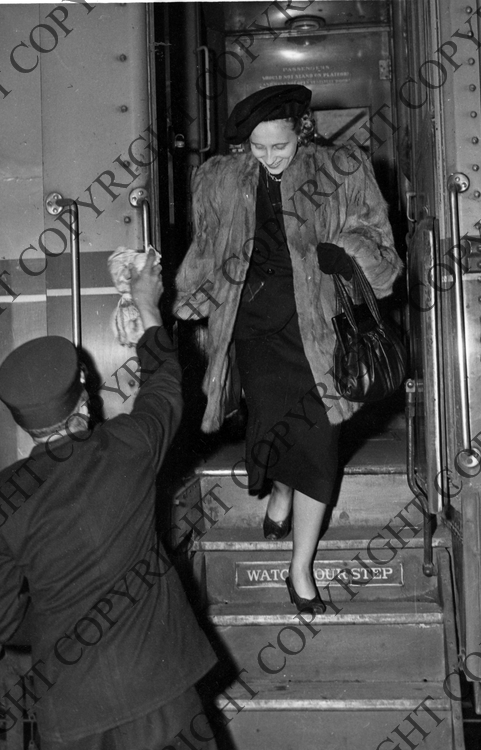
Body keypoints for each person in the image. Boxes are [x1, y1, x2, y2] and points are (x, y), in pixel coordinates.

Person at [0, 254, 222, 750]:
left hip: (71, 710)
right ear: (84, 392)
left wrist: (51, 621)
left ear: (20, 422)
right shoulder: (126, 445)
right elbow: (165, 387)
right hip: (162, 693)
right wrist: (149, 305)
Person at [174, 84, 403, 614]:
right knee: (273, 429)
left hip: (320, 324)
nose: (270, 158)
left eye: (279, 147)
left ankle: (300, 569)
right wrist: (192, 294)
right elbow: (209, 245)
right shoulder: (220, 179)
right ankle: (280, 490)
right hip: (255, 326)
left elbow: (377, 237)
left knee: (320, 440)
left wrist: (347, 249)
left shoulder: (342, 168)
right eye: (258, 148)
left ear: (300, 132)